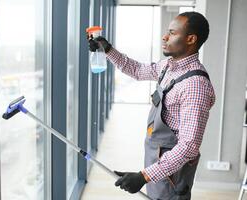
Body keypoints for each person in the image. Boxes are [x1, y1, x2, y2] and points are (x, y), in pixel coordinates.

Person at [88, 11, 215, 200]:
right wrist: (107, 49)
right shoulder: (168, 67)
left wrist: (144, 175)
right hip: (158, 158)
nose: (165, 37)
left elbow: (189, 146)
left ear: (191, 39)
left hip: (173, 171)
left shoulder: (195, 85)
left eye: (172, 33)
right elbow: (138, 70)